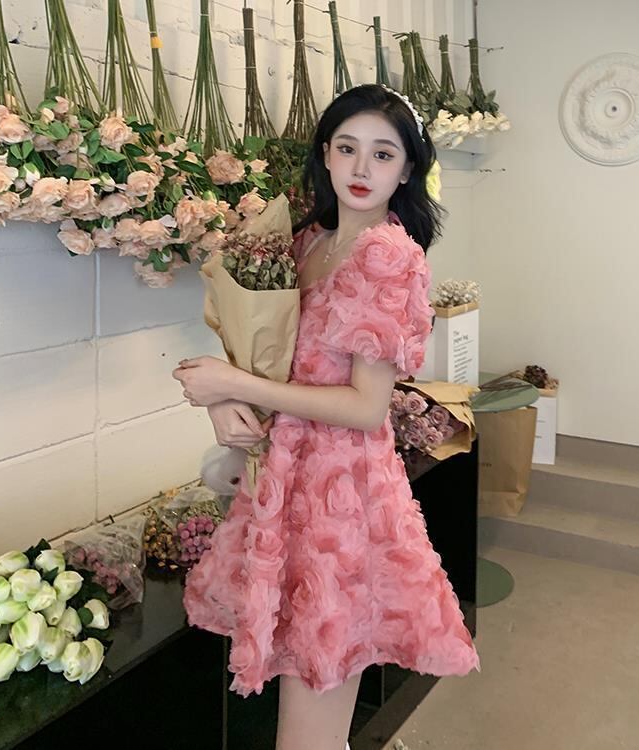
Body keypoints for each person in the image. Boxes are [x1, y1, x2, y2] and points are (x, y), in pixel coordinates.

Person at [172, 83, 480, 750]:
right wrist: (227, 400)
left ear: (407, 169)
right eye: (347, 148)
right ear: (325, 154)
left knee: (308, 726)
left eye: (383, 153)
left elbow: (366, 407)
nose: (362, 168)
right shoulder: (307, 241)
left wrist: (233, 381)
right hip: (280, 480)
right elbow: (272, 359)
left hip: (340, 501)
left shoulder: (389, 256)